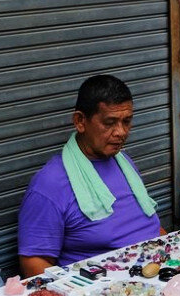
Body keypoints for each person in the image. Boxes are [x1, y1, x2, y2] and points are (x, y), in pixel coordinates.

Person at [18, 74, 161, 275]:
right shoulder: (50, 184)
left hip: (156, 266)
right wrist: (75, 294)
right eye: (110, 122)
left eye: (126, 121)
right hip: (104, 290)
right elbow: (33, 262)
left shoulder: (123, 162)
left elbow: (148, 224)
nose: (121, 132)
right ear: (80, 121)